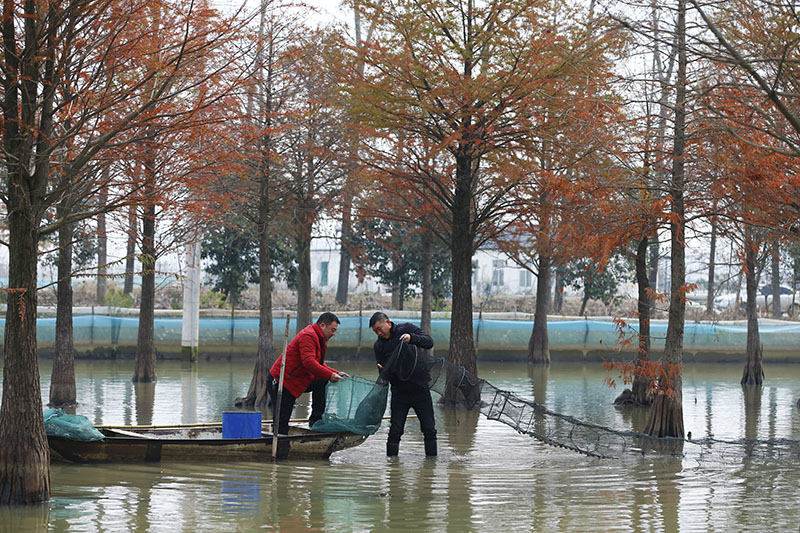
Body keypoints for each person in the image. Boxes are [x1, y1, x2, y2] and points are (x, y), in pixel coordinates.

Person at [369, 311, 437, 457]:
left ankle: (431, 465)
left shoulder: (406, 329)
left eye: (379, 328)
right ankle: (392, 467)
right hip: (399, 393)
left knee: (429, 429)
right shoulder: (378, 346)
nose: (378, 333)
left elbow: (429, 342)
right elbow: (383, 375)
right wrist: (383, 371)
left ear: (388, 323)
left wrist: (411, 338)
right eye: (375, 331)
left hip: (420, 388)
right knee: (396, 430)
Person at [268, 312, 347, 435]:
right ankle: (279, 450)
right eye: (332, 330)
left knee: (322, 380)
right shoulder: (309, 335)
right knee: (281, 423)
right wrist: (330, 375)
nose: (333, 334)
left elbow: (318, 364)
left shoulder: (320, 338)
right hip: (281, 381)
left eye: (335, 331)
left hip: (297, 380)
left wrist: (336, 373)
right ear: (322, 325)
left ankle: (316, 420)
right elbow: (308, 362)